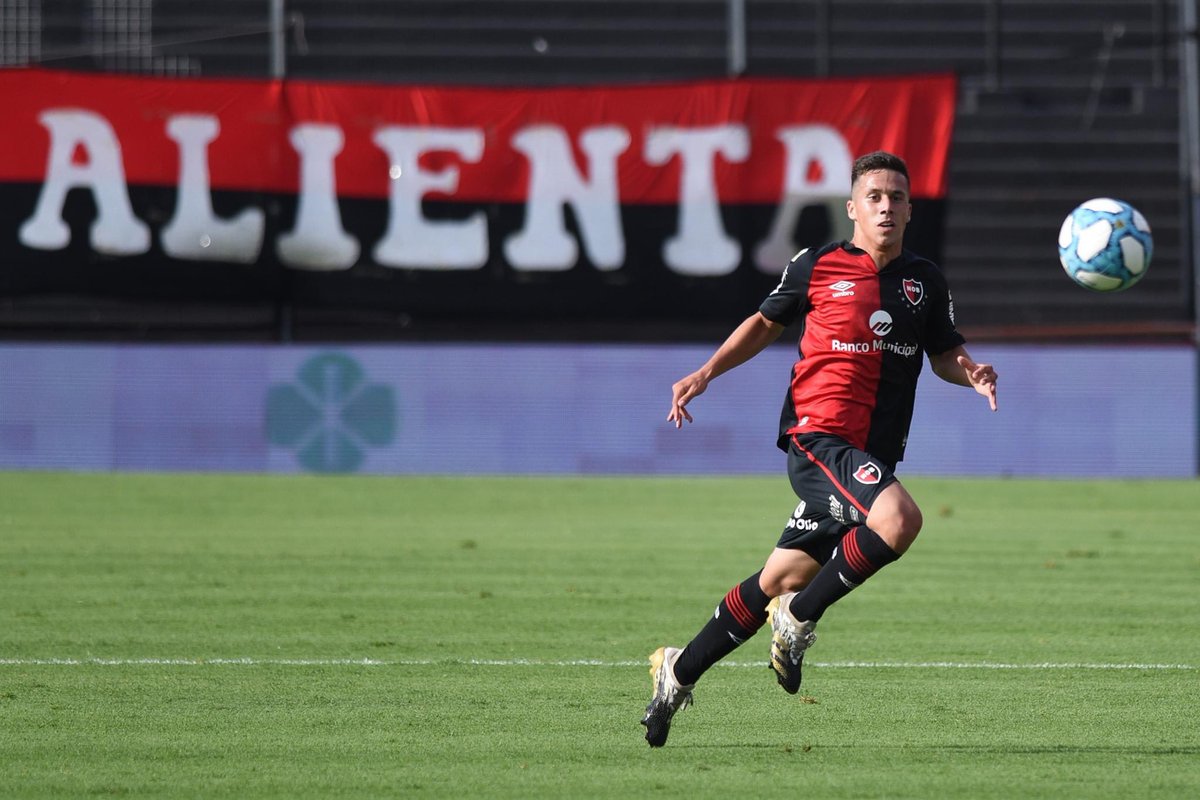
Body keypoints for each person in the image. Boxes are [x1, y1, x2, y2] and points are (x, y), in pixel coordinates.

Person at [641, 150, 998, 748]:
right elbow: (763, 323)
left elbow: (945, 354)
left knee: (780, 576)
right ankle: (801, 616)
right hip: (818, 437)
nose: (887, 206)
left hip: (872, 453)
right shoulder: (818, 264)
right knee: (898, 519)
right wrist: (705, 373)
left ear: (911, 210)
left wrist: (973, 372)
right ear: (853, 207)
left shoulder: (925, 282)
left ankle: (675, 673)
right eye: (875, 196)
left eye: (898, 197)